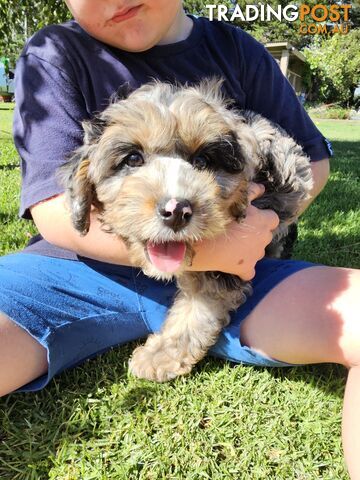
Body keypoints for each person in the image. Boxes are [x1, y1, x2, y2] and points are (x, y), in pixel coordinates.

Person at [0, 1, 359, 476]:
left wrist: (255, 223)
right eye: (132, 159)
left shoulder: (239, 50)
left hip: (238, 271)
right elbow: (53, 208)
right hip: (77, 269)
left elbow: (309, 164)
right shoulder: (53, 54)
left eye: (205, 157)